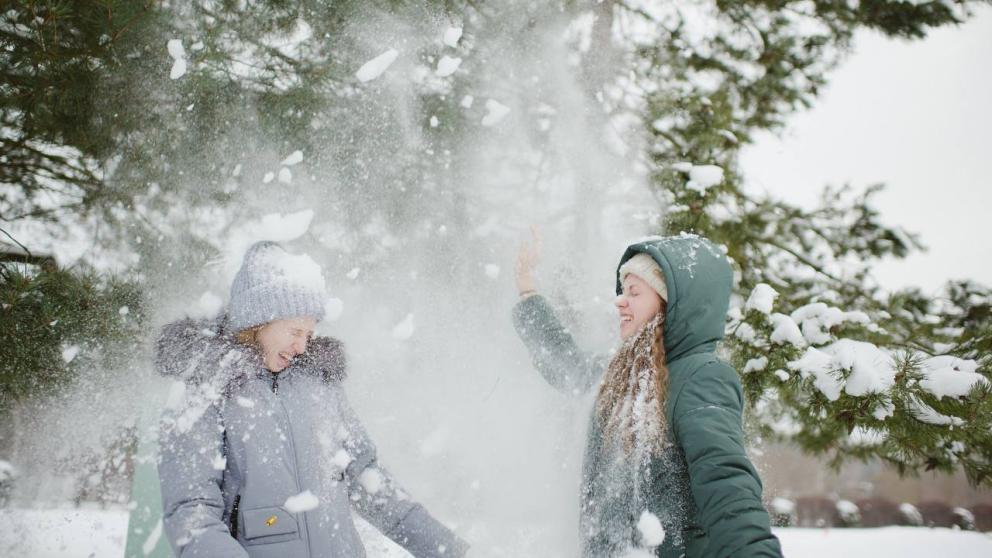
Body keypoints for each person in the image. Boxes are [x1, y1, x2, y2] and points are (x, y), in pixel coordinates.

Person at [156, 240, 468, 558]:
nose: (302, 347)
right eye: (294, 331)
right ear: (258, 323)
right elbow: (191, 511)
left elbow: (370, 481)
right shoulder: (208, 388)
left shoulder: (318, 386)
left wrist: (450, 551)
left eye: (309, 334)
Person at [512, 231, 782, 558]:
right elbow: (567, 364)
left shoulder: (699, 376)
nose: (619, 301)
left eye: (634, 292)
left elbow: (725, 483)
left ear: (672, 305)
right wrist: (528, 291)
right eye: (622, 290)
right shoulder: (622, 374)